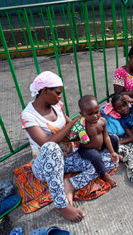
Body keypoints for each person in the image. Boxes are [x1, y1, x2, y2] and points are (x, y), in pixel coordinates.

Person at [20, 71, 117, 222]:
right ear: (45, 90)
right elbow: (46, 142)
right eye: (57, 93)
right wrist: (72, 122)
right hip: (45, 166)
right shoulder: (28, 116)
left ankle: (70, 183)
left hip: (68, 158)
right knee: (52, 148)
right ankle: (61, 204)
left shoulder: (56, 105)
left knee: (107, 159)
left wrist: (89, 129)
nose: (60, 97)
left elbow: (72, 128)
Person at [69, 95, 121, 187]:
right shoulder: (82, 126)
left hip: (101, 146)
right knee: (96, 156)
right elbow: (74, 137)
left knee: (114, 138)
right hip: (87, 150)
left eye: (96, 112)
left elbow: (106, 137)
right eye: (90, 114)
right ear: (82, 114)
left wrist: (112, 152)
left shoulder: (102, 121)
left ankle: (115, 156)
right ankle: (103, 174)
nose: (94, 116)